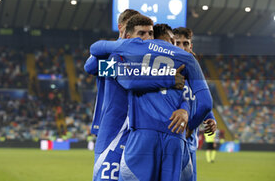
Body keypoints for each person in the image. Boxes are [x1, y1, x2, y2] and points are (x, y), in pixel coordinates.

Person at [90, 22, 213, 181]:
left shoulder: (134, 50)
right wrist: (190, 124)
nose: (147, 37)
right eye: (142, 33)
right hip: (169, 135)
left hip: (141, 134)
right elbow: (205, 103)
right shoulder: (185, 59)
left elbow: (99, 62)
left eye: (149, 33)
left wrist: (123, 42)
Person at [173, 27, 217, 181]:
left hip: (190, 143)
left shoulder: (195, 72)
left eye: (186, 43)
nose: (182, 48)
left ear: (191, 46)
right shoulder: (167, 71)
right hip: (174, 141)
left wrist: (210, 117)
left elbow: (201, 102)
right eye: (177, 43)